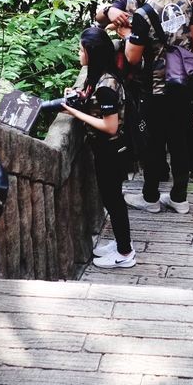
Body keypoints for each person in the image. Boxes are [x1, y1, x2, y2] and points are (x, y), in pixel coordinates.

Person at [119, 0, 193, 214]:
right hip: (183, 81)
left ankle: (151, 198)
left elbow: (132, 58)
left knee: (152, 143)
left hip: (157, 88)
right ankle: (179, 197)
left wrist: (124, 33)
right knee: (180, 141)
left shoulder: (144, 13)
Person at [58, 27, 136, 269]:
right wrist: (78, 96)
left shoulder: (106, 85)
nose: (78, 52)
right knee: (112, 199)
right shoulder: (100, 76)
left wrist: (74, 112)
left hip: (111, 151)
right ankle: (122, 243)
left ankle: (125, 253)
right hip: (105, 150)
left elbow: (110, 126)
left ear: (92, 53)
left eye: (81, 49)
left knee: (113, 200)